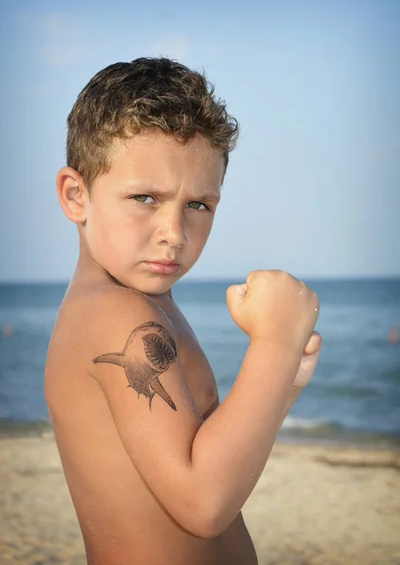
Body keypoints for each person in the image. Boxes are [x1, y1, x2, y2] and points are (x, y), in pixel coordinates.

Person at [44, 57, 322, 565]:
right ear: (76, 195)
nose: (175, 232)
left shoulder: (144, 303)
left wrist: (284, 383)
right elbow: (203, 502)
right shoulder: (116, 314)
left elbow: (213, 458)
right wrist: (274, 346)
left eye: (198, 205)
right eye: (146, 197)